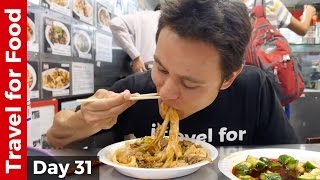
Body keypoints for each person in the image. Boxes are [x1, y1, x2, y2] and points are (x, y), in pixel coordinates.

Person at [47, 0, 299, 148]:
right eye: (161, 68)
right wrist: (84, 121)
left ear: (229, 78)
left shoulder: (253, 88)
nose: (164, 92)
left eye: (189, 83)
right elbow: (55, 137)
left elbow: (289, 159)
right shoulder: (132, 92)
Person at [110, 5, 161, 73]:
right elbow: (115, 23)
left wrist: (135, 56)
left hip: (143, 70)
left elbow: (115, 23)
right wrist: (136, 57)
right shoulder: (171, 21)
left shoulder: (144, 16)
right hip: (148, 70)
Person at [243, 0, 316, 36]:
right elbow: (302, 30)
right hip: (269, 62)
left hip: (242, 63)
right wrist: (309, 12)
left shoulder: (234, 8)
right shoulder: (271, 4)